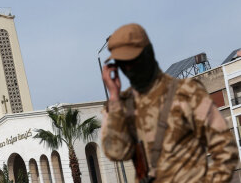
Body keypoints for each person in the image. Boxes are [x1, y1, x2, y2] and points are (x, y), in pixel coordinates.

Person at [101, 23, 238, 183]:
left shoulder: (186, 92)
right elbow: (116, 152)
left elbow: (225, 150)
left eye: (133, 60)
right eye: (123, 63)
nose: (129, 68)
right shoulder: (121, 105)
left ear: (148, 53)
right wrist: (114, 99)